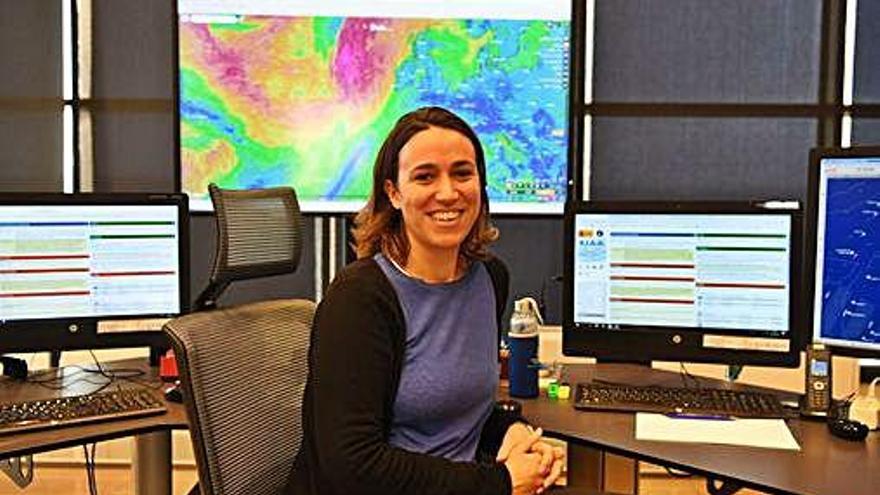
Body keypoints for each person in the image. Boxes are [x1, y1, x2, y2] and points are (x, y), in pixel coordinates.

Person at [287, 106, 564, 495]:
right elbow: (351, 466)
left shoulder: (489, 278)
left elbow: (456, 419)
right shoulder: (360, 298)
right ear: (394, 193)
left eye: (463, 173)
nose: (448, 192)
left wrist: (509, 431)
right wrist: (500, 483)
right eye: (425, 176)